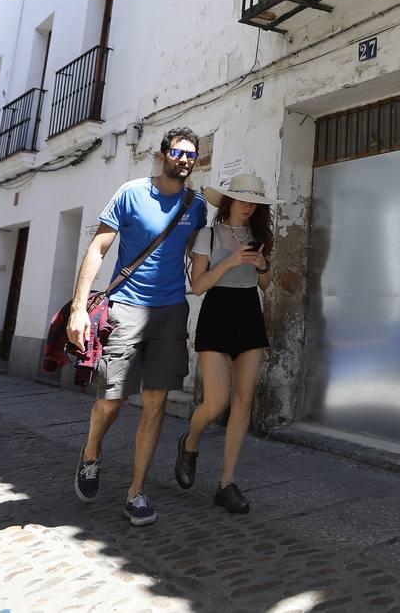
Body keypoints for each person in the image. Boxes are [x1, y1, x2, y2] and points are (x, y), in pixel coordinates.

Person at [68, 127, 207, 527]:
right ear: (163, 154)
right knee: (110, 400)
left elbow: (200, 253)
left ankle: (136, 492)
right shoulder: (131, 193)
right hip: (125, 308)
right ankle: (92, 452)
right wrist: (80, 307)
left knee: (157, 403)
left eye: (191, 155)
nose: (184, 159)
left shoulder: (195, 206)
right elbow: (98, 247)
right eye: (178, 152)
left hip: (170, 312)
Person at [173, 173, 277, 514]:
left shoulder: (259, 236)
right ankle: (190, 443)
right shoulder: (208, 234)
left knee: (243, 401)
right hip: (217, 312)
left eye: (254, 202)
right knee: (216, 403)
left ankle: (226, 483)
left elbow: (264, 285)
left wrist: (262, 265)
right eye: (243, 199)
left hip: (249, 311)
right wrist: (230, 261)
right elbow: (199, 285)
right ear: (229, 201)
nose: (249, 206)